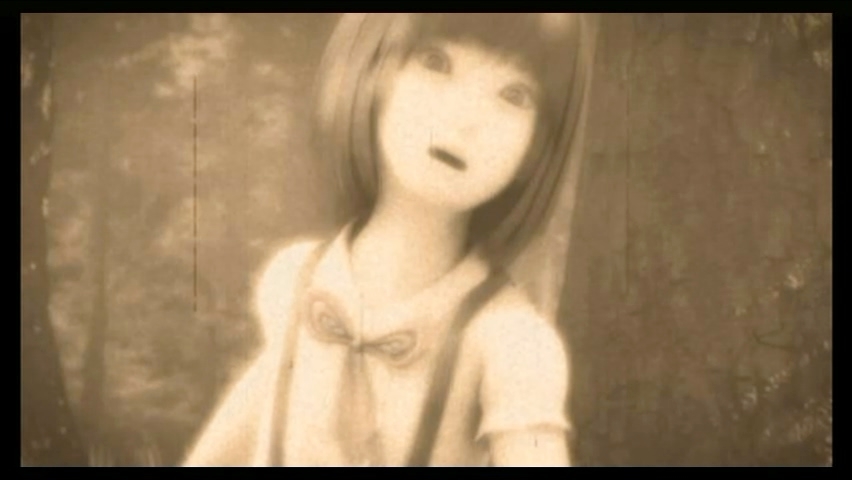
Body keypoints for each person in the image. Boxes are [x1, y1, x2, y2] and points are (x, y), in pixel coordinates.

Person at [182, 13, 595, 467]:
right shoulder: (293, 278)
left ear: (537, 149)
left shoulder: (511, 342)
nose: (465, 117)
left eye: (513, 95)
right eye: (435, 63)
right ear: (370, 74)